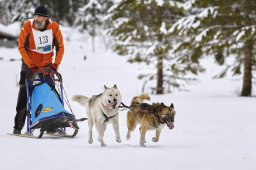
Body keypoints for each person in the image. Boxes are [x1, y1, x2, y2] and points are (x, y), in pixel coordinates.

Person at [13, 5, 64, 134]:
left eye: (40, 17)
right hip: (29, 66)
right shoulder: (28, 25)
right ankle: (18, 127)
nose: (37, 19)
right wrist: (31, 64)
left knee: (50, 93)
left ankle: (53, 124)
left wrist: (55, 65)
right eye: (35, 15)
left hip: (47, 66)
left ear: (46, 18)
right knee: (24, 95)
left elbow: (61, 48)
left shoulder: (54, 27)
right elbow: (21, 47)